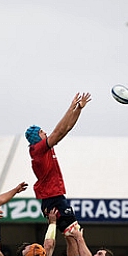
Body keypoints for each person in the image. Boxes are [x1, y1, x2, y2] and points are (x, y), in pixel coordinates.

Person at [25, 92, 92, 235]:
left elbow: (65, 129)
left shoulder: (43, 149)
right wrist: (71, 107)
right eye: (42, 132)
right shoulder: (38, 149)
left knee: (72, 235)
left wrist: (78, 109)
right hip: (53, 197)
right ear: (37, 136)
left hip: (53, 197)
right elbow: (59, 130)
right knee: (75, 234)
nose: (46, 133)